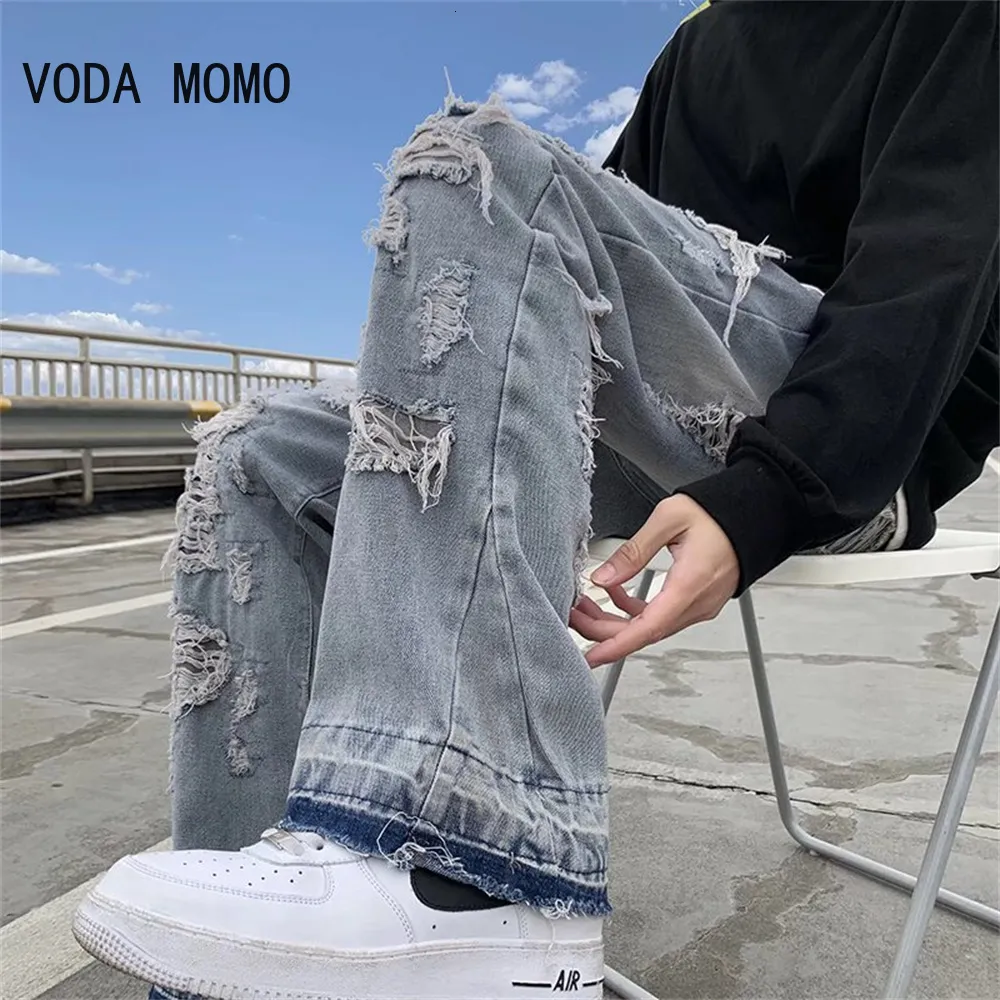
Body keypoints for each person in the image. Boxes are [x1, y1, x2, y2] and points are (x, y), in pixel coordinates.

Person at [74, 2, 998, 998]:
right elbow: (592, 288)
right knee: (261, 449)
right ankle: (246, 966)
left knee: (483, 166)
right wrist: (508, 496)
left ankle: (474, 870)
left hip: (862, 443)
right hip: (681, 436)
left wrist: (770, 495)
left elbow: (933, 269)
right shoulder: (703, 44)